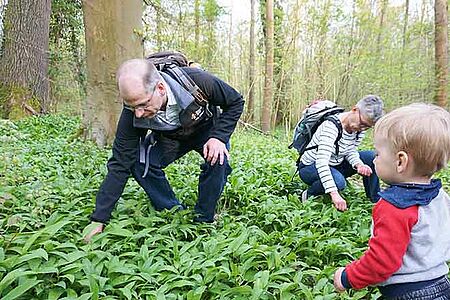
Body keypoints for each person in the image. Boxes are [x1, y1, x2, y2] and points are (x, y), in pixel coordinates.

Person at [84, 58, 244, 242]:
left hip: (206, 130)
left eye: (143, 105)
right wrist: (99, 218)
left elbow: (235, 102)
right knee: (139, 162)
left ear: (160, 88)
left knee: (218, 160)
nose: (138, 113)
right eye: (131, 106)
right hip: (171, 138)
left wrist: (219, 137)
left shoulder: (198, 81)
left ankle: (204, 218)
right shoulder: (133, 113)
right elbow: (120, 163)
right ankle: (173, 211)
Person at [333, 103, 450, 299]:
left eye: (378, 153)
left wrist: (347, 277)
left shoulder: (395, 207)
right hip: (442, 284)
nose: (375, 159)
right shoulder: (440, 196)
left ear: (400, 161)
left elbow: (382, 263)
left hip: (408, 293)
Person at [297, 95, 384, 211]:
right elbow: (321, 162)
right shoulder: (331, 126)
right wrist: (334, 194)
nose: (362, 128)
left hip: (336, 163)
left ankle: (374, 199)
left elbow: (350, 150)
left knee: (371, 157)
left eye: (367, 127)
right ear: (354, 110)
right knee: (338, 182)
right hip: (310, 167)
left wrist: (359, 164)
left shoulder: (358, 130)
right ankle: (309, 194)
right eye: (362, 123)